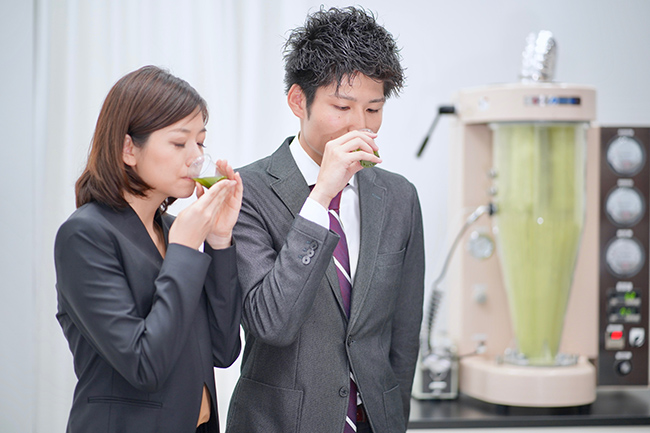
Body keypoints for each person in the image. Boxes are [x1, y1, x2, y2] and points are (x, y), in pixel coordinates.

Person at [226, 7, 424, 433]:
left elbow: (404, 334)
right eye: (342, 106)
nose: (361, 125)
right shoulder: (246, 191)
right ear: (299, 101)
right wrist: (321, 197)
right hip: (279, 422)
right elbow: (270, 323)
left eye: (373, 109)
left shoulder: (399, 197)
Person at [54, 65, 243, 433]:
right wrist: (186, 250)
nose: (195, 157)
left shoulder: (174, 231)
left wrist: (219, 240)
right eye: (178, 142)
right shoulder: (85, 235)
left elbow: (223, 350)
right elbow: (145, 365)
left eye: (200, 142)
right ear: (128, 148)